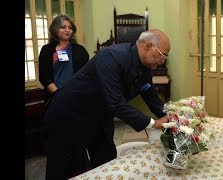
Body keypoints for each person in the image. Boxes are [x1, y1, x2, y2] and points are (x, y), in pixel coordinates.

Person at [44, 29, 171, 180]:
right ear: (148, 46)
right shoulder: (112, 57)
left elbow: (150, 95)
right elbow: (116, 103)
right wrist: (153, 123)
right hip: (68, 114)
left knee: (106, 160)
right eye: (162, 55)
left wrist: (169, 116)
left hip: (99, 115)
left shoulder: (146, 68)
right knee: (66, 168)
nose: (163, 60)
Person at [39, 14, 89, 105]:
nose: (67, 30)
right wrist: (59, 95)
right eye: (63, 27)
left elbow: (85, 75)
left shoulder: (80, 50)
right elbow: (44, 77)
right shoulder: (47, 50)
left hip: (76, 97)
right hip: (54, 98)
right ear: (55, 29)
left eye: (70, 28)